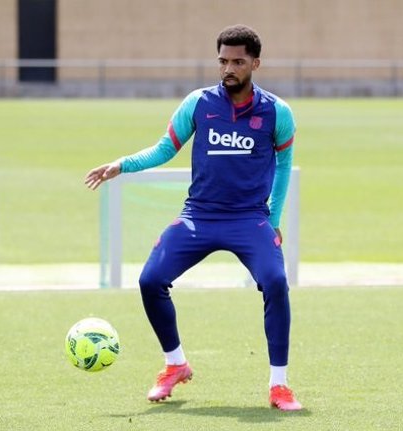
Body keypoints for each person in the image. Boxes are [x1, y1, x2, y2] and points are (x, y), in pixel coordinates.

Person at [84, 24, 301, 411]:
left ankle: (279, 386)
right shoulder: (198, 104)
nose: (228, 68)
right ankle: (175, 364)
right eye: (223, 61)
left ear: (255, 63)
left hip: (249, 219)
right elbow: (164, 149)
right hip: (198, 216)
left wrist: (274, 218)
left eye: (238, 61)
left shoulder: (277, 113)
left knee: (276, 282)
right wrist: (121, 165)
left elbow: (284, 165)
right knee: (150, 280)